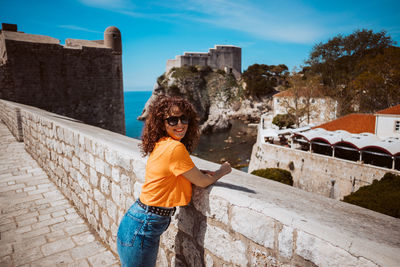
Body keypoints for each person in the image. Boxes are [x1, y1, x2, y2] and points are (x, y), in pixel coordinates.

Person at [117, 96, 232, 267]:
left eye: (184, 118)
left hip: (138, 220)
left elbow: (171, 172)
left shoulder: (162, 143)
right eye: (172, 120)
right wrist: (222, 171)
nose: (180, 124)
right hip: (143, 226)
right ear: (162, 123)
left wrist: (195, 172)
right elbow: (202, 182)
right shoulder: (175, 148)